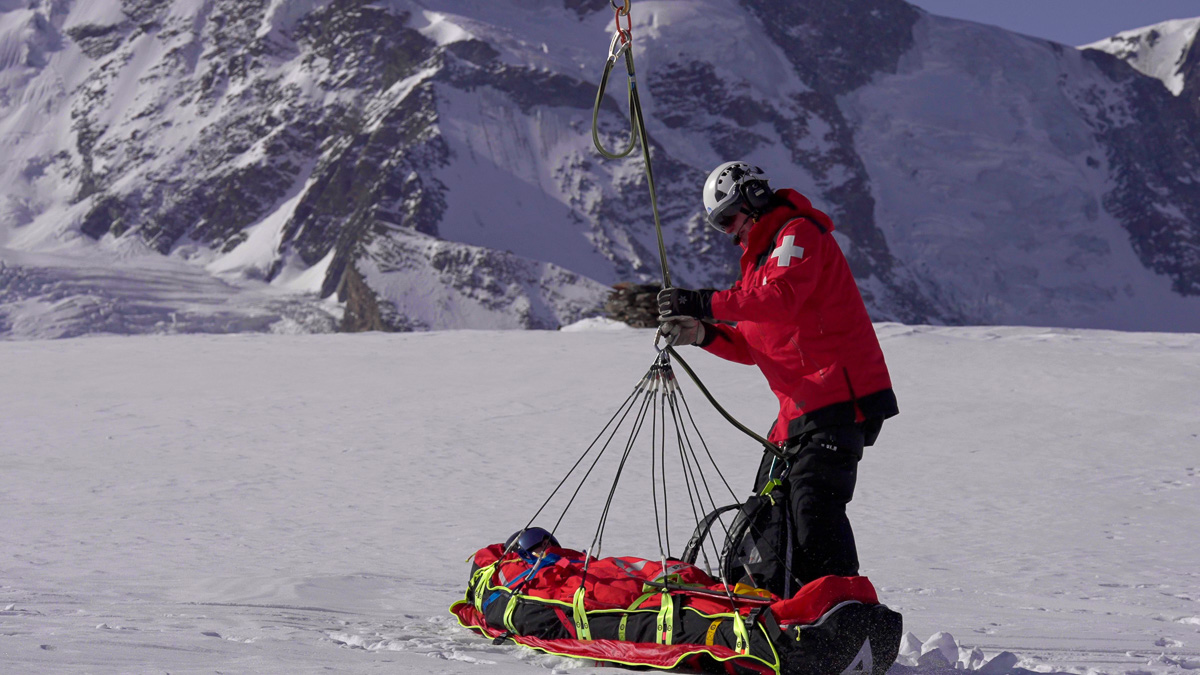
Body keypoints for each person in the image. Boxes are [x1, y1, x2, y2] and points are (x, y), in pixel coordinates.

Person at [657, 161, 898, 592]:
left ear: (751, 201)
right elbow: (755, 345)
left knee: (812, 504)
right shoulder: (759, 265)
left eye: (729, 219)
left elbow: (780, 299)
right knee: (776, 509)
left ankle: (846, 610)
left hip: (837, 396)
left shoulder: (797, 234)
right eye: (720, 226)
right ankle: (792, 606)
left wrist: (703, 302)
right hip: (801, 408)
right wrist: (701, 333)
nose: (730, 233)